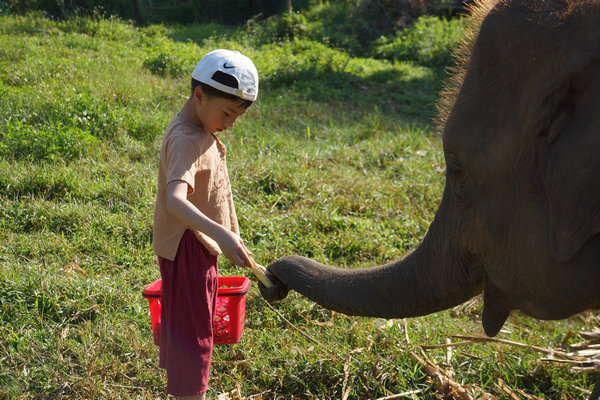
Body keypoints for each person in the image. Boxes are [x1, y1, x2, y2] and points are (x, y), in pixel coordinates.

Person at [152, 49, 258, 400]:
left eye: (236, 117)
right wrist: (220, 233)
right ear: (200, 95)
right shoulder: (186, 139)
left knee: (193, 327)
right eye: (226, 113)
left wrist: (228, 235)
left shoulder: (200, 127)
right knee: (194, 337)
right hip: (187, 249)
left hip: (198, 245)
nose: (230, 123)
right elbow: (175, 200)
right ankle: (190, 394)